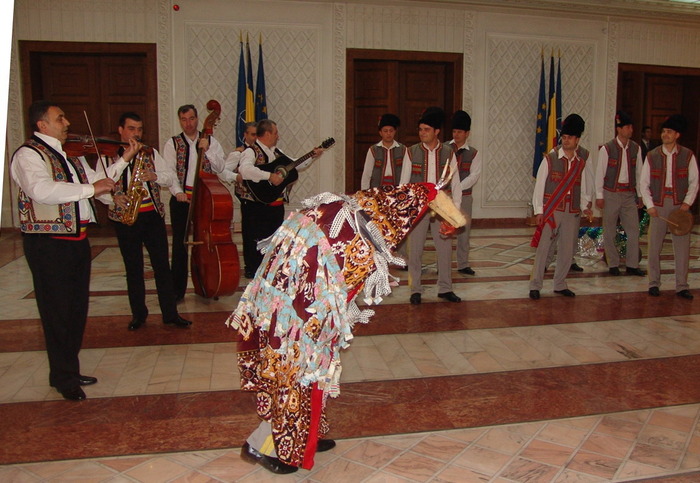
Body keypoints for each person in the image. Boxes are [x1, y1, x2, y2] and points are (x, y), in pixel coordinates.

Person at [227, 182, 466, 474]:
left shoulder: (358, 209)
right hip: (291, 315)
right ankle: (261, 445)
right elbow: (430, 194)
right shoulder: (354, 229)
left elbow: (427, 193)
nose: (394, 241)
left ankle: (308, 434)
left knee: (313, 373)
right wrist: (454, 220)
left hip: (292, 301)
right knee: (296, 375)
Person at [10, 100, 136, 400]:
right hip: (49, 245)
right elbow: (42, 190)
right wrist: (92, 190)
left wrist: (124, 160)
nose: (67, 123)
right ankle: (62, 376)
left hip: (77, 241)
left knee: (76, 310)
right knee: (56, 311)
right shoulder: (28, 155)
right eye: (60, 118)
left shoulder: (71, 158)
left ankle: (68, 367)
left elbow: (99, 183)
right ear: (42, 125)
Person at [109, 112, 192, 330]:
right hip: (125, 218)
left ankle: (170, 313)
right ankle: (139, 314)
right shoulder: (109, 155)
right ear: (120, 130)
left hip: (151, 215)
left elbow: (170, 177)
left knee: (162, 266)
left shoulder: (150, 152)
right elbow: (100, 184)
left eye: (139, 129)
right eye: (131, 129)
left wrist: (155, 176)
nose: (136, 133)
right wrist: (113, 197)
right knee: (133, 267)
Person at [236, 119, 322, 278]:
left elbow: (296, 164)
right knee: (255, 240)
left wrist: (313, 156)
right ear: (267, 133)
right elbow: (245, 170)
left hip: (275, 206)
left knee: (274, 241)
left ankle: (269, 272)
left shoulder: (276, 151)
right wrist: (269, 176)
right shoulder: (251, 151)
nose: (278, 136)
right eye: (275, 133)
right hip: (256, 207)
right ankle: (254, 273)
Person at [162, 104, 227, 301]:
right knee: (180, 244)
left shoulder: (210, 141)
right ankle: (177, 290)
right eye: (183, 120)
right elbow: (169, 172)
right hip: (183, 197)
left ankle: (207, 285)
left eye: (191, 119)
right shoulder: (172, 143)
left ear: (197, 119)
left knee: (205, 242)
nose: (188, 123)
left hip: (204, 198)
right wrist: (178, 192)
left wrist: (206, 150)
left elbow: (220, 166)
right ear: (179, 120)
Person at [399, 106, 462, 304]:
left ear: (436, 132)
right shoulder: (411, 152)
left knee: (444, 249)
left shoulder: (449, 153)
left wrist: (455, 212)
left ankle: (445, 288)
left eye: (426, 129)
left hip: (442, 208)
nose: (422, 133)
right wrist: (405, 211)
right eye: (420, 129)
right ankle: (415, 289)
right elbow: (404, 184)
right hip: (418, 208)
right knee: (415, 250)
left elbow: (456, 183)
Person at [529, 114, 592, 300]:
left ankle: (560, 283)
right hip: (552, 211)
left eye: (570, 138)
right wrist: (539, 210)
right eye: (564, 137)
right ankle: (535, 285)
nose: (566, 141)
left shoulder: (581, 162)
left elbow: (585, 186)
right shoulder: (550, 158)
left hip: (572, 211)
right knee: (544, 249)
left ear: (577, 140)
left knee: (567, 249)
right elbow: (539, 186)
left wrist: (586, 206)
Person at [641, 114, 698, 299]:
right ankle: (654, 283)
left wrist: (686, 204)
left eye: (669, 132)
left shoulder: (687, 155)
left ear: (677, 135)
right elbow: (644, 183)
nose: (665, 134)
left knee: (682, 248)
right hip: (658, 205)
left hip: (679, 206)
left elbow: (694, 181)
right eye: (664, 131)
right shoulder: (652, 155)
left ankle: (682, 285)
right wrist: (649, 205)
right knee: (654, 247)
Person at [595, 110, 645, 276]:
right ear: (619, 129)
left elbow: (639, 173)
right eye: (628, 127)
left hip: (629, 194)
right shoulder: (607, 149)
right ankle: (613, 264)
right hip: (611, 194)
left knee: (633, 230)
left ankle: (632, 265)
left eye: (631, 126)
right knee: (609, 230)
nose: (631, 130)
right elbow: (600, 173)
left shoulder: (636, 149)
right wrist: (599, 196)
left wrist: (640, 194)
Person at [448, 110, 481, 276]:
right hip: (446, 197)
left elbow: (474, 175)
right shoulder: (445, 149)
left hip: (465, 196)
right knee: (444, 231)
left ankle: (463, 263)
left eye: (460, 132)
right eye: (454, 131)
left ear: (467, 133)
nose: (456, 135)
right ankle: (443, 264)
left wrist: (458, 187)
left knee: (464, 231)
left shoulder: (474, 153)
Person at [360, 113, 405, 190]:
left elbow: (405, 173)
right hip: (377, 188)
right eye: (385, 131)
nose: (388, 133)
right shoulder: (373, 150)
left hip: (397, 188)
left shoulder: (403, 149)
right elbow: (367, 173)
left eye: (391, 131)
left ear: (395, 132)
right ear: (380, 133)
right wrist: (365, 191)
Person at [219, 121, 257, 187]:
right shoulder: (238, 153)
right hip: (243, 196)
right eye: (253, 135)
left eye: (259, 135)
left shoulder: (266, 153)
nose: (256, 138)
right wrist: (236, 177)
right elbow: (221, 172)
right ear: (245, 135)